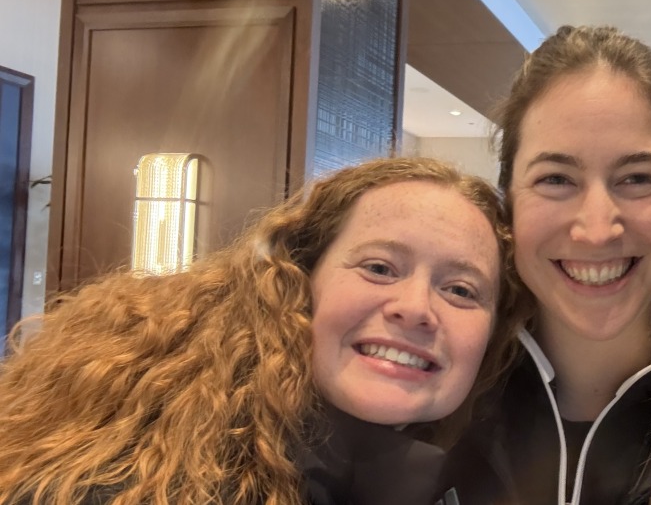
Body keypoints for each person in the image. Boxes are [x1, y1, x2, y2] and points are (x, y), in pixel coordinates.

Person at [0, 157, 516, 505]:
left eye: (461, 290)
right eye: (379, 268)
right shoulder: (128, 483)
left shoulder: (417, 474)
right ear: (296, 281)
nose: (415, 308)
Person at [439, 25, 651, 505]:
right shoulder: (433, 385)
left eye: (637, 178)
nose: (597, 230)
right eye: (556, 179)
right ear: (507, 199)